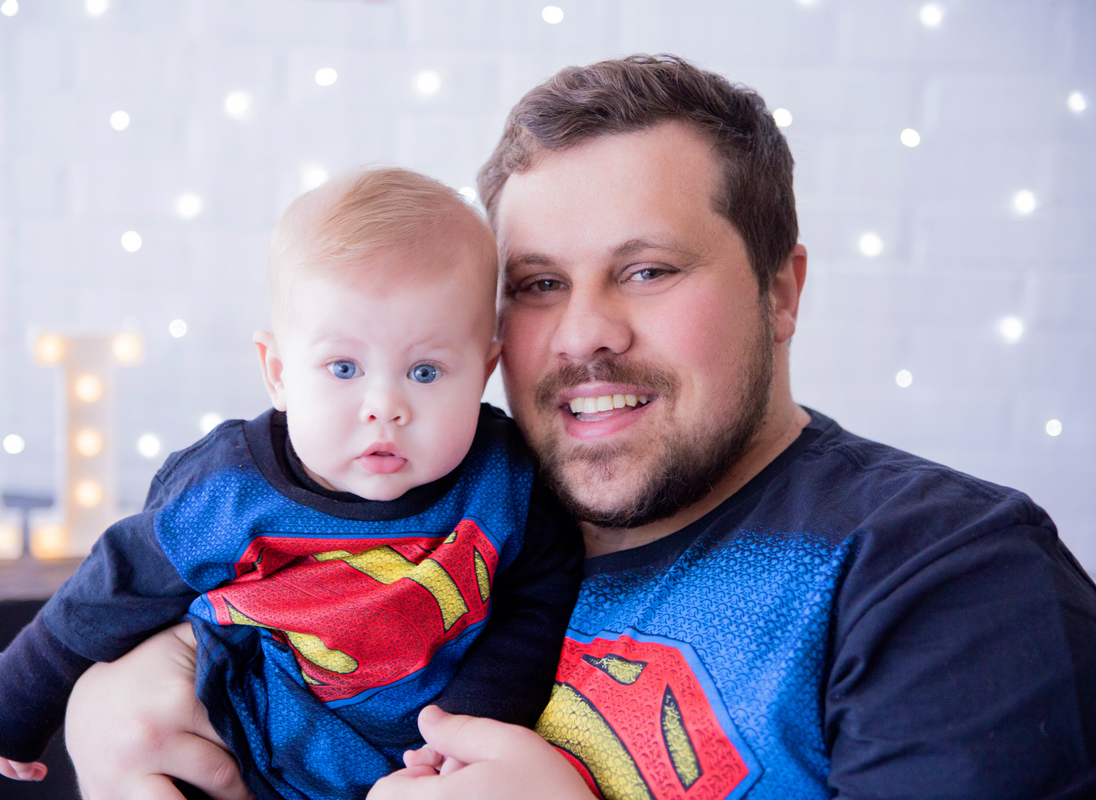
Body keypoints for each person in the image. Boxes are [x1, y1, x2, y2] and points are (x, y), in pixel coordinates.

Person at [65, 55, 1096, 800]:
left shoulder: (944, 571)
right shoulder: (453, 514)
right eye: (539, 285)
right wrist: (117, 689)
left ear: (781, 293)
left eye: (647, 269)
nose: (585, 333)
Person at [0, 167, 583, 800]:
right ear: (279, 373)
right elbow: (113, 586)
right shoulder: (227, 486)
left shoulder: (504, 480)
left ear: (482, 372)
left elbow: (537, 596)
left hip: (413, 767)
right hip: (237, 743)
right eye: (344, 367)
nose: (384, 405)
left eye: (426, 371)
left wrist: (470, 722)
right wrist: (11, 705)